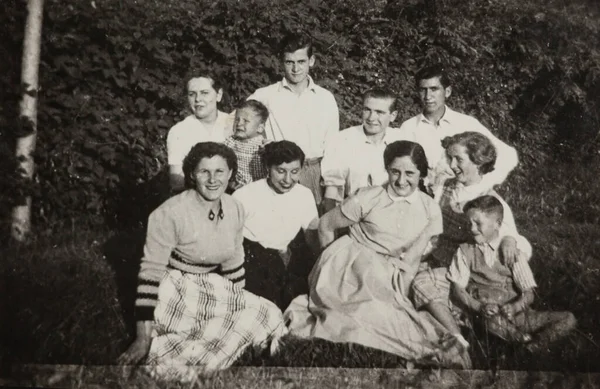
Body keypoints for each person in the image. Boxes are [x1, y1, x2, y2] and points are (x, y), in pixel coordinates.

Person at [284, 141, 470, 368]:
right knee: (364, 311)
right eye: (395, 172)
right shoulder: (369, 197)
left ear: (422, 173)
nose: (401, 181)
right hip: (350, 265)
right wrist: (326, 262)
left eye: (410, 173)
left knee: (398, 318)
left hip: (389, 272)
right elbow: (325, 225)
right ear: (387, 170)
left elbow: (412, 260)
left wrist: (401, 296)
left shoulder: (429, 209)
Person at [118, 142, 286, 380]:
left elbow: (234, 260)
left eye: (219, 171)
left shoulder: (235, 207)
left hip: (210, 282)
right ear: (191, 175)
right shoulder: (170, 213)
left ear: (230, 174)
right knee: (226, 330)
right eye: (204, 172)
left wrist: (234, 301)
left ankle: (221, 339)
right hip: (174, 286)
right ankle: (169, 357)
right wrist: (142, 336)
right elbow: (150, 273)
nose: (212, 179)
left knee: (269, 313)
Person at [411, 131, 530, 348]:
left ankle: (459, 338)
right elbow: (431, 224)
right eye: (449, 158)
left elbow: (518, 242)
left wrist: (510, 239)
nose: (452, 164)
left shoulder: (490, 200)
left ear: (478, 161)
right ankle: (457, 321)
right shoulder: (446, 186)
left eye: (459, 159)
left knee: (420, 285)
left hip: (464, 270)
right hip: (437, 256)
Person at [447, 195, 576, 352]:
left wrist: (515, 307)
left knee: (568, 319)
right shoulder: (465, 251)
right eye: (469, 223)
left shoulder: (511, 252)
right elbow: (458, 289)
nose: (472, 228)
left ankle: (535, 346)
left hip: (517, 314)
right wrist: (479, 306)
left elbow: (529, 292)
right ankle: (519, 340)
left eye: (478, 223)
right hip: (486, 313)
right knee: (491, 322)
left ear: (497, 224)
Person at [247, 33, 340, 205]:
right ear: (281, 62)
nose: (295, 69)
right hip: (278, 173)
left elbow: (333, 147)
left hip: (313, 172)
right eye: (289, 62)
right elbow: (237, 124)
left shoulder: (325, 98)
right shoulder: (265, 95)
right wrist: (258, 143)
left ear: (311, 61)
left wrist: (330, 189)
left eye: (301, 62)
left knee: (312, 228)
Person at [398, 64, 518, 194]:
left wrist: (481, 185)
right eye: (423, 90)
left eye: (434, 89)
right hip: (426, 198)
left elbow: (508, 156)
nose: (428, 96)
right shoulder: (409, 127)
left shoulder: (465, 123)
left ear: (447, 92)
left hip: (465, 199)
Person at [233, 141, 319, 309]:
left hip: (288, 259)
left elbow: (312, 238)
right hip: (253, 261)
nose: (288, 179)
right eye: (280, 171)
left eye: (295, 172)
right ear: (268, 168)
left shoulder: (304, 194)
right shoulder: (245, 195)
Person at [320, 88, 408, 213]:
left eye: (379, 112)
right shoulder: (342, 140)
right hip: (353, 215)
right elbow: (332, 190)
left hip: (393, 214)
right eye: (367, 110)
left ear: (392, 116)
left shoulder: (401, 140)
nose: (372, 118)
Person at [167, 75, 234, 192]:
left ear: (218, 95)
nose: (197, 99)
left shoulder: (233, 124)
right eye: (192, 94)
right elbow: (177, 182)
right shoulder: (179, 131)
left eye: (204, 93)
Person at [224, 99, 269, 191]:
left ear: (260, 128)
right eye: (237, 119)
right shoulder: (230, 142)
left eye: (245, 121)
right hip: (234, 186)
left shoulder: (262, 146)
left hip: (257, 188)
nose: (239, 123)